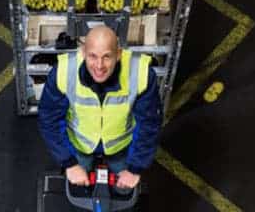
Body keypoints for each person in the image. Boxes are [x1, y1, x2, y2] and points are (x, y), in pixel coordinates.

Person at [38, 26, 163, 190]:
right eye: (93, 56)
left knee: (123, 189)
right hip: (81, 144)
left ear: (118, 54)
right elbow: (49, 119)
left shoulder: (141, 74)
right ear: (83, 52)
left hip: (120, 145)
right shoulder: (63, 72)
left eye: (107, 57)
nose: (99, 66)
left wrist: (135, 168)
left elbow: (149, 124)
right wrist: (69, 163)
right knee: (80, 184)